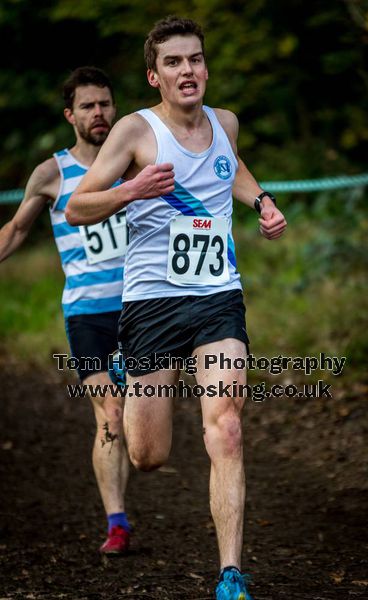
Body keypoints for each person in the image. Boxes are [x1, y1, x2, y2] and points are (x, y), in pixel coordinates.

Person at [66, 18, 287, 600]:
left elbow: (230, 166)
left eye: (195, 60)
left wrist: (262, 201)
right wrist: (130, 192)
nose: (187, 71)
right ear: (154, 75)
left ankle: (231, 575)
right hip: (151, 304)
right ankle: (126, 372)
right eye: (173, 63)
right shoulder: (136, 132)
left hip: (217, 296)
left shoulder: (225, 123)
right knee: (147, 455)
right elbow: (78, 208)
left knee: (228, 429)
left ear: (206, 67)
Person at [0, 66, 171, 555]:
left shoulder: (137, 161)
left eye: (105, 104)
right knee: (110, 412)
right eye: (88, 106)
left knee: (142, 418)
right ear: (69, 114)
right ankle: (117, 522)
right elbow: (15, 231)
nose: (99, 113)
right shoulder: (51, 175)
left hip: (142, 310)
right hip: (87, 315)